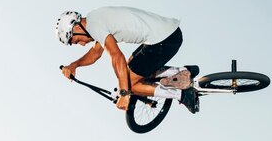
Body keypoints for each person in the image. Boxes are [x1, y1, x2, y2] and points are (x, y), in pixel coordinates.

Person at [56, 7, 200, 113]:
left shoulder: (95, 27)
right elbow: (95, 53)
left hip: (163, 41)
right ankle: (182, 72)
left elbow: (116, 57)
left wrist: (124, 92)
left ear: (75, 27)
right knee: (131, 67)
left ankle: (183, 95)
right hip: (169, 33)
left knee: (130, 83)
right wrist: (74, 65)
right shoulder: (95, 18)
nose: (81, 44)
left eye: (75, 40)